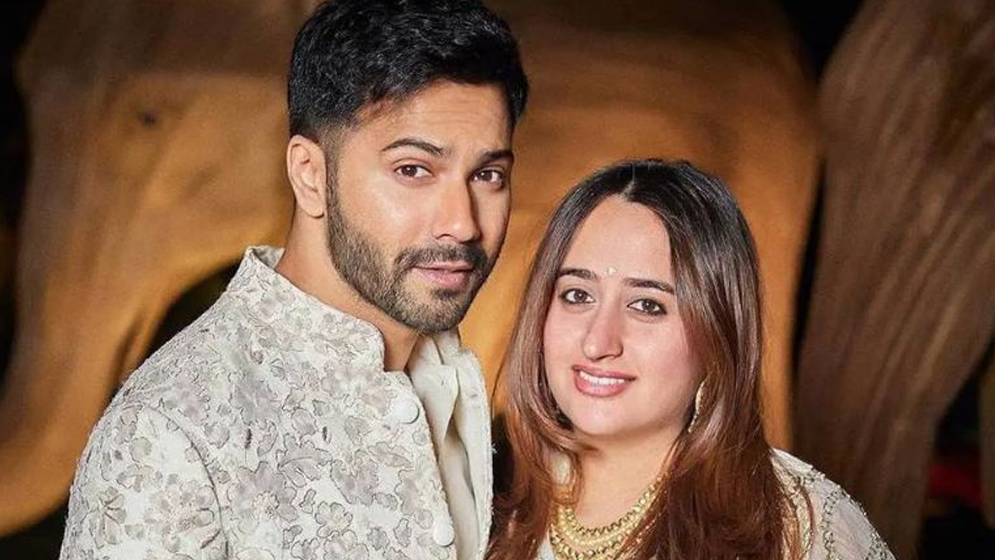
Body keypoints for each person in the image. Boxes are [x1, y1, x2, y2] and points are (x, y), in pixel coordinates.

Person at [59, 1, 527, 559]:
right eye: (412, 170)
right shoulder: (167, 434)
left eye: (488, 175)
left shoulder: (448, 374)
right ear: (310, 174)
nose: (463, 223)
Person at [487, 159, 894, 560]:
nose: (598, 342)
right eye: (577, 295)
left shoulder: (797, 522)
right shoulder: (485, 487)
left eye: (647, 305)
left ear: (718, 331)